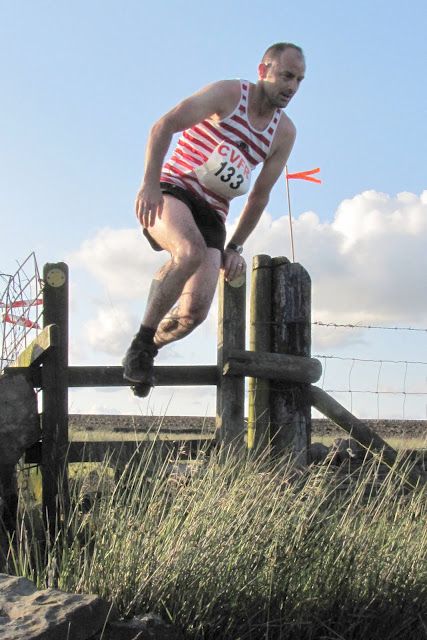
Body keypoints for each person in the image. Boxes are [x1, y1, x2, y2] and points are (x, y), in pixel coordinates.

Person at [123, 42, 306, 396]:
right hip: (173, 191)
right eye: (286, 75)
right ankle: (140, 347)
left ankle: (148, 348)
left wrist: (235, 246)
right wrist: (148, 184)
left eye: (299, 80)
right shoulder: (228, 94)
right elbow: (164, 125)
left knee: (194, 312)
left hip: (213, 215)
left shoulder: (284, 133)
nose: (292, 87)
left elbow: (260, 195)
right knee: (188, 251)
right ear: (263, 69)